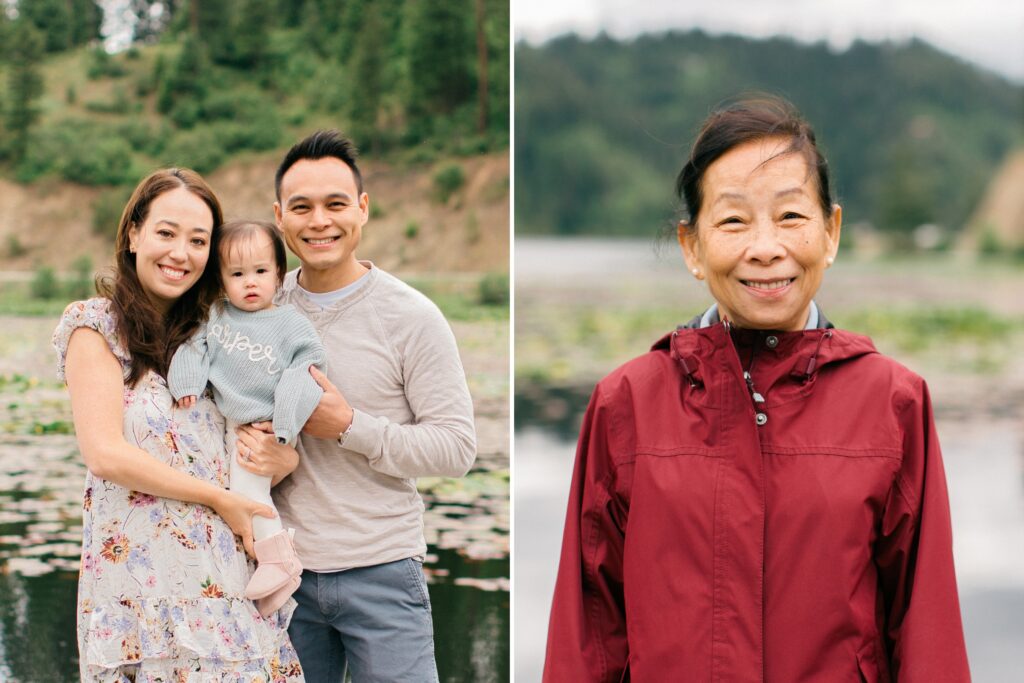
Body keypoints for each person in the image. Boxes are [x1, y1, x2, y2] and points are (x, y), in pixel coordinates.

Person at [543, 97, 970, 682]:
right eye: (734, 220)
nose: (766, 248)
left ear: (831, 232)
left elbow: (929, 633)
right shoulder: (627, 404)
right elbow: (585, 636)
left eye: (791, 217)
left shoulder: (893, 401)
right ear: (692, 247)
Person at [231, 130, 477, 681]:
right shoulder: (260, 308)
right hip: (279, 573)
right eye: (302, 207)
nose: (320, 220)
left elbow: (457, 449)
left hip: (383, 571)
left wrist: (349, 427)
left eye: (335, 204)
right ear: (280, 217)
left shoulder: (412, 317)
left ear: (362, 210)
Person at [53, 169, 304, 680]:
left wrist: (284, 457)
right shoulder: (94, 326)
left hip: (224, 586)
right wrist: (217, 497)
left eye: (198, 241)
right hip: (138, 592)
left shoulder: (219, 334)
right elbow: (105, 454)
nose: (180, 253)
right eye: (166, 233)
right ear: (133, 234)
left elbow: (249, 435)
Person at [169, 220, 326, 618]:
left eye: (260, 272)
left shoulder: (291, 325)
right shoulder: (218, 316)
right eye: (237, 275)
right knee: (224, 492)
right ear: (222, 281)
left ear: (278, 273)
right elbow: (194, 347)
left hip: (263, 428)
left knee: (249, 492)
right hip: (226, 423)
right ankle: (271, 586)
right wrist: (186, 381)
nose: (250, 283)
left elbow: (306, 372)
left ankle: (279, 561)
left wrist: (286, 424)